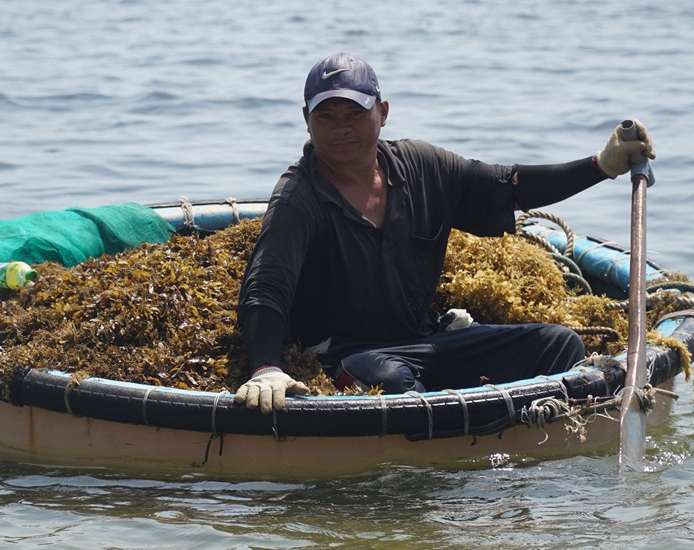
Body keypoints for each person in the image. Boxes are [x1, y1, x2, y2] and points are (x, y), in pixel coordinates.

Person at [234, 52, 655, 415]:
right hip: (348, 354)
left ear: (381, 112)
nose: (340, 128)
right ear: (307, 121)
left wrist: (602, 165)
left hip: (428, 341)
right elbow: (266, 287)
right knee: (393, 381)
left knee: (559, 345)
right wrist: (266, 368)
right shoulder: (298, 197)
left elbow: (507, 186)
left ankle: (503, 439)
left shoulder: (421, 166)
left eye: (354, 114)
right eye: (325, 115)